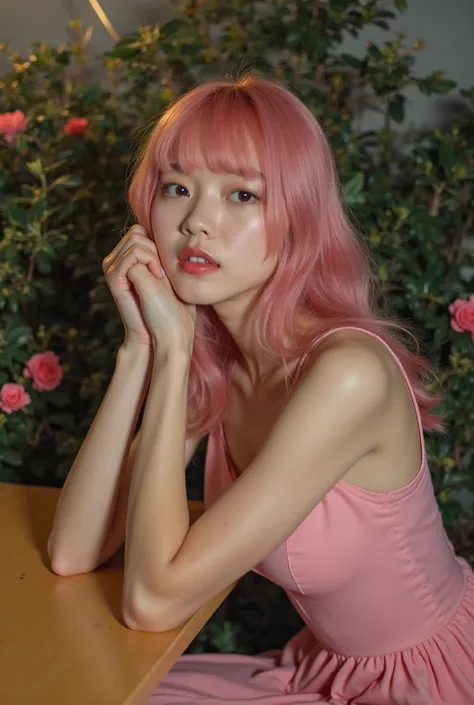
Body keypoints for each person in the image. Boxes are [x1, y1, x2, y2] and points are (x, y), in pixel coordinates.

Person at [48, 72, 474, 705]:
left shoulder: (348, 374)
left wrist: (174, 354)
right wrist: (140, 347)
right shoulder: (220, 362)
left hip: (431, 683)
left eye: (242, 196)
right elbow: (72, 551)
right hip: (325, 671)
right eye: (178, 188)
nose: (196, 222)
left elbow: (151, 602)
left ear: (299, 216)